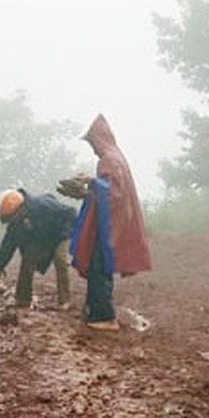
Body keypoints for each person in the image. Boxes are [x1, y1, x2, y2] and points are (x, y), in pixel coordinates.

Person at [61, 114, 152, 331]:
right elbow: (107, 192)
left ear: (100, 139)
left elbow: (115, 193)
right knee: (96, 267)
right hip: (108, 222)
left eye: (92, 143)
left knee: (99, 268)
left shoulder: (110, 159)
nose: (92, 148)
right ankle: (95, 312)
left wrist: (91, 182)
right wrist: (85, 191)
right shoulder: (113, 157)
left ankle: (105, 317)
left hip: (110, 226)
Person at [0, 188, 77, 310]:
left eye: (12, 218)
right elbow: (7, 246)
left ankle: (64, 301)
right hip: (41, 237)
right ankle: (22, 299)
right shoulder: (16, 224)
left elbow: (71, 213)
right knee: (28, 259)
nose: (12, 221)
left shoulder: (43, 205)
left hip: (61, 233)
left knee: (60, 258)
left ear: (20, 210)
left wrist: (67, 234)